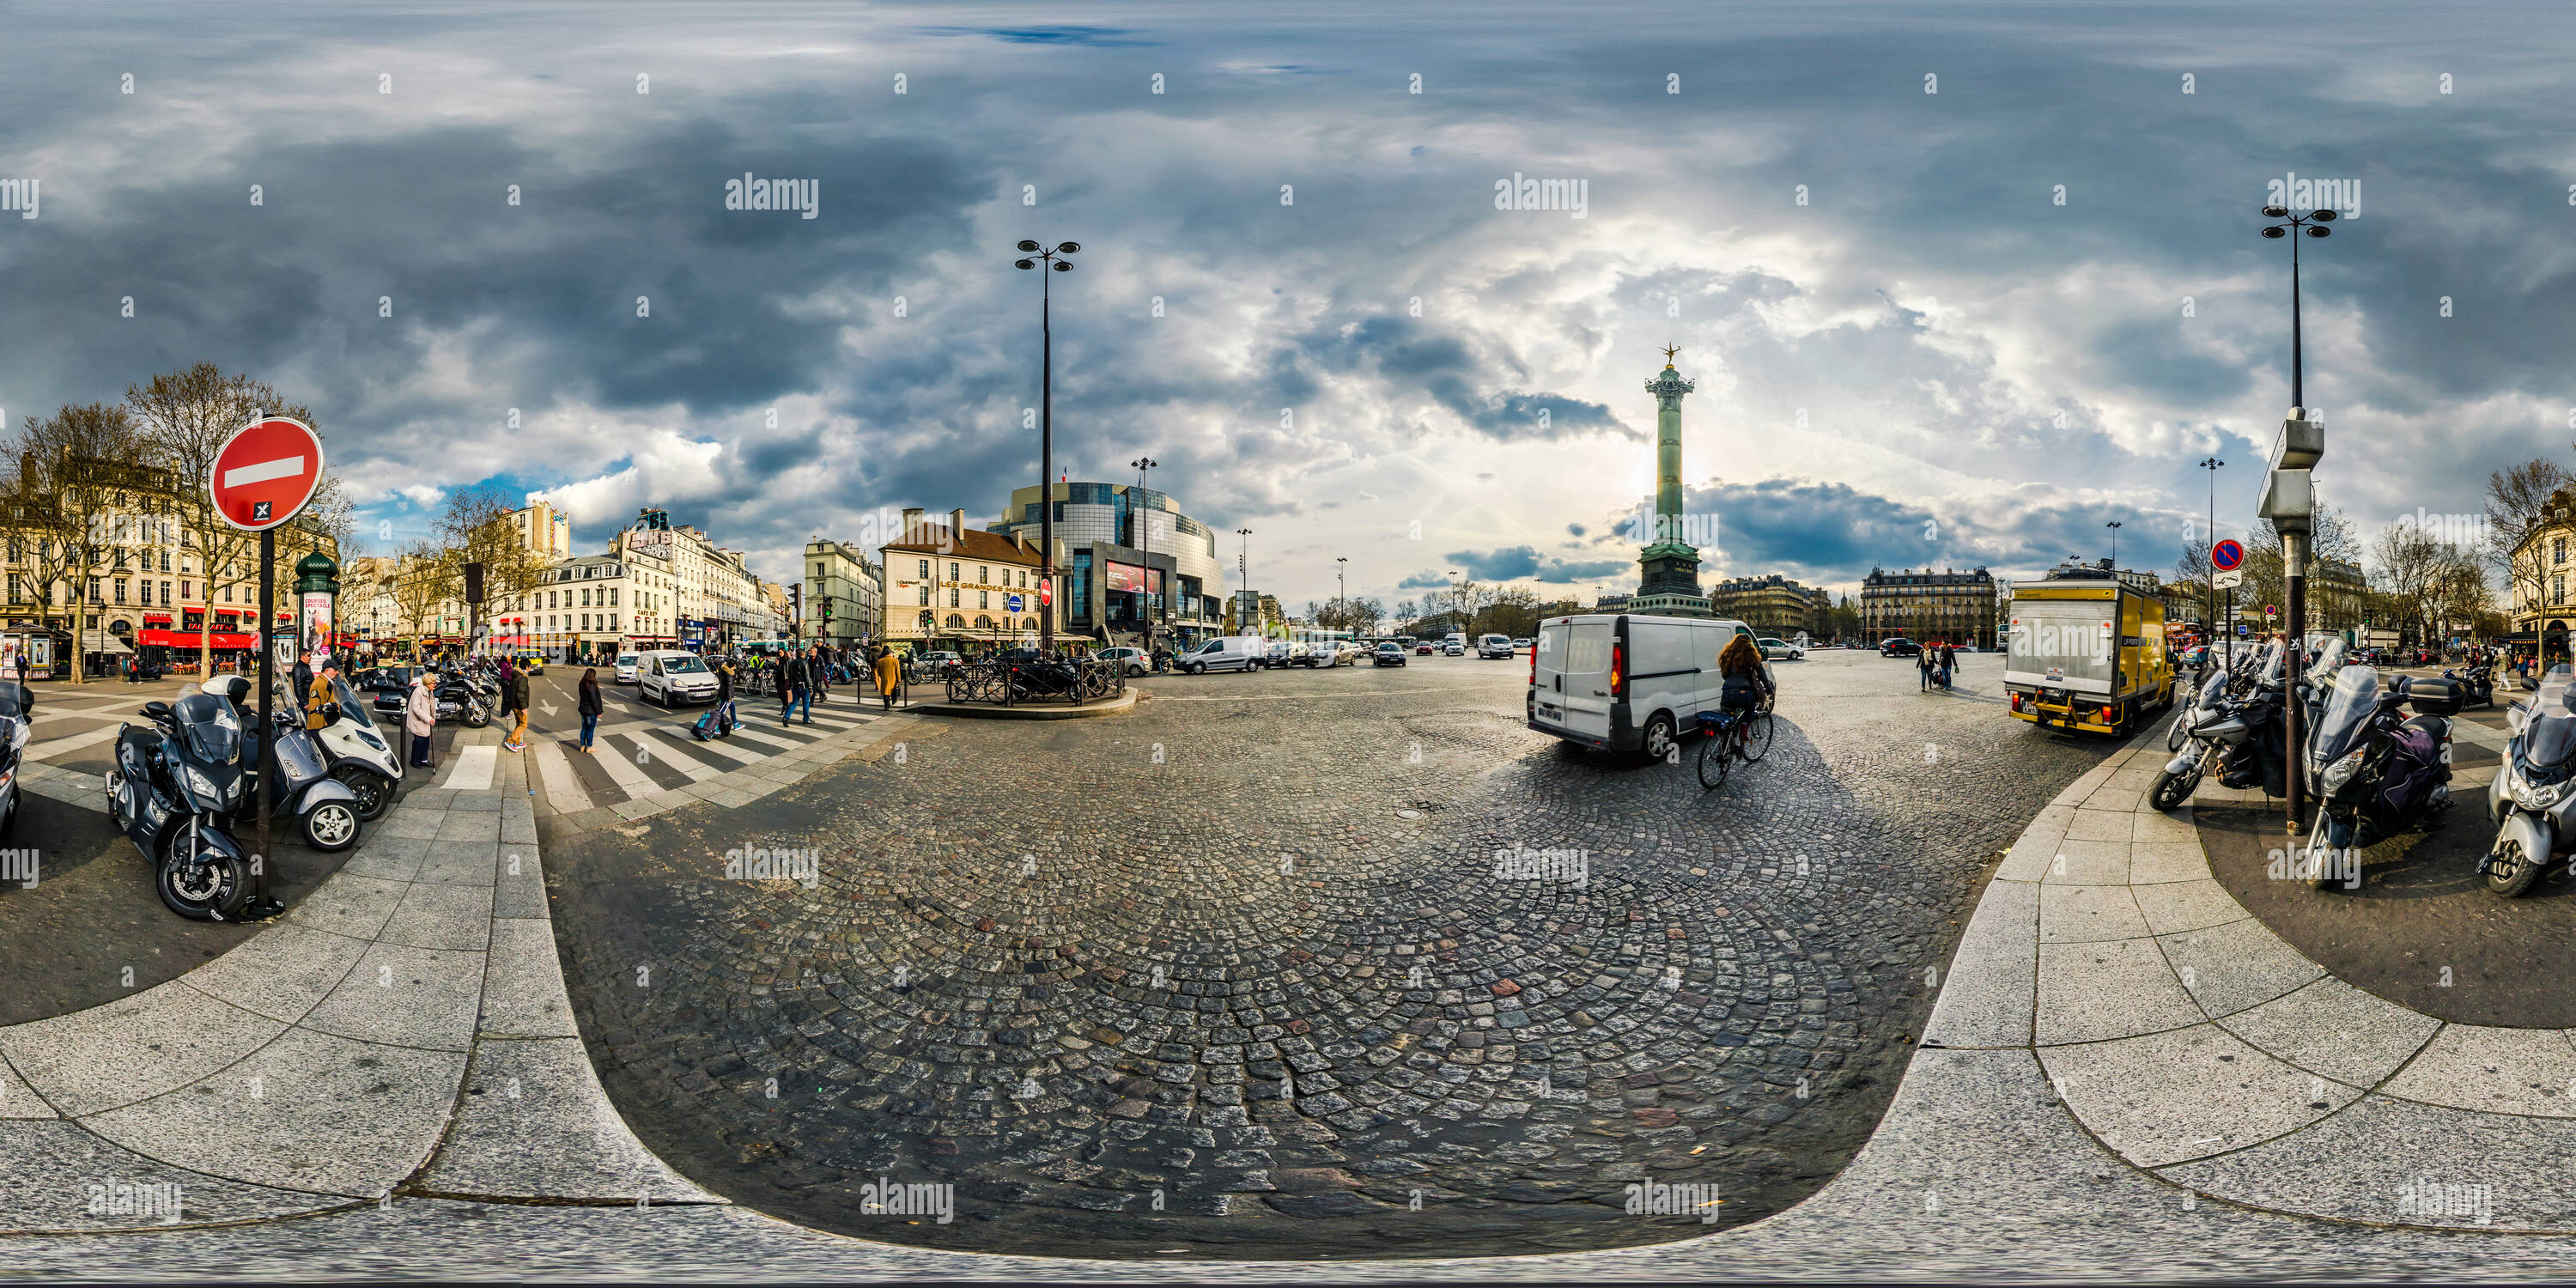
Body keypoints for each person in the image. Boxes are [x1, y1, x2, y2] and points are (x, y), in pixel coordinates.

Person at [1716, 633, 1775, 720]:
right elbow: (1762, 674)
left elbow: (1724, 675)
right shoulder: (1751, 655)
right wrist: (1769, 688)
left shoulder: (1727, 655)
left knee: (1727, 719)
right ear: (1749, 644)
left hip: (1727, 692)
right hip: (1745, 693)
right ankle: (1743, 731)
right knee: (1748, 716)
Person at [405, 671, 437, 769]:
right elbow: (416, 709)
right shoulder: (418, 692)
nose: (435, 685)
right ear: (427, 684)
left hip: (426, 721)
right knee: (419, 741)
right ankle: (414, 761)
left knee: (426, 741)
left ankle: (423, 760)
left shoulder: (429, 691)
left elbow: (431, 705)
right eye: (433, 683)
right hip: (418, 721)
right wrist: (429, 718)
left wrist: (432, 717)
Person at [501, 657, 531, 752]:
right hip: (519, 705)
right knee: (524, 724)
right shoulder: (523, 678)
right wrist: (524, 707)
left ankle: (517, 743)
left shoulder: (516, 675)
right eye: (530, 667)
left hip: (514, 703)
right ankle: (511, 741)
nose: (530, 668)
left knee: (519, 722)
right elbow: (521, 694)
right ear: (526, 667)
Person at [306, 660, 340, 731]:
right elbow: (316, 709)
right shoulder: (319, 684)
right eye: (335, 670)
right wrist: (321, 730)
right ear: (327, 670)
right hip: (321, 727)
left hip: (330, 722)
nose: (338, 672)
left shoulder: (326, 682)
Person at [575, 666, 603, 753]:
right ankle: (589, 747)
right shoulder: (592, 685)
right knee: (590, 730)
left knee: (584, 728)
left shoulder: (582, 683)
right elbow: (594, 700)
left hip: (583, 709)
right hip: (591, 711)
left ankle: (582, 746)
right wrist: (599, 711)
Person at [874, 643, 902, 710]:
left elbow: (878, 672)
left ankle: (886, 705)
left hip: (884, 679)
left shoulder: (880, 661)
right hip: (893, 679)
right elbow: (897, 672)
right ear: (890, 653)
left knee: (885, 692)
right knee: (892, 691)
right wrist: (899, 680)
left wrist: (882, 675)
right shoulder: (895, 660)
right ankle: (893, 701)